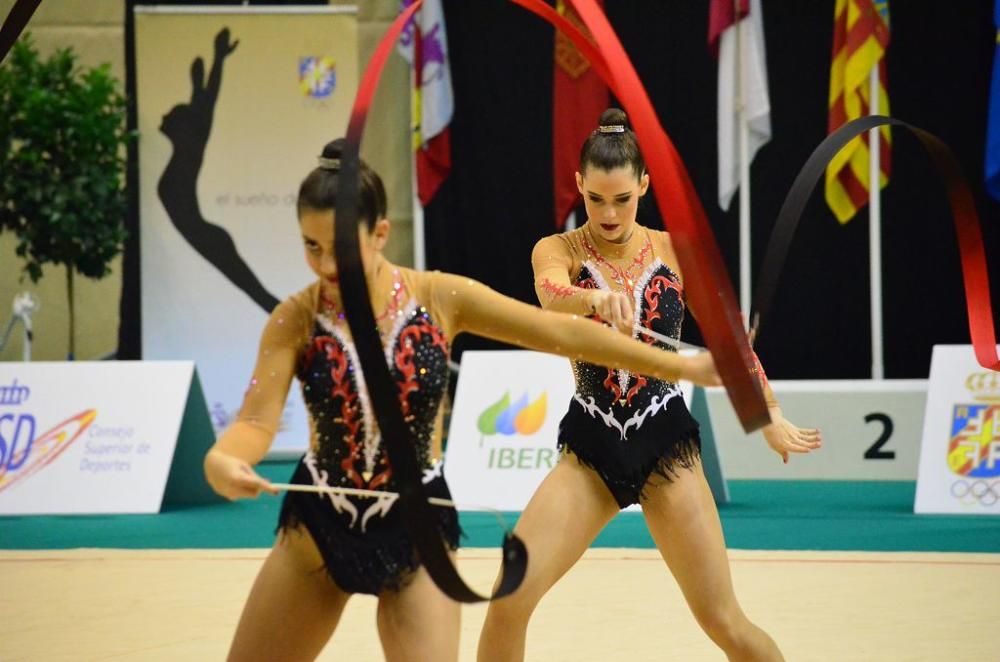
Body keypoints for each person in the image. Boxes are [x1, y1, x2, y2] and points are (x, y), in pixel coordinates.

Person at [203, 138, 723, 662]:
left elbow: (563, 334)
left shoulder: (438, 296)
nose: (325, 266)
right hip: (315, 531)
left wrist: (679, 365)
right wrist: (225, 459)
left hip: (416, 530)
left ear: (380, 233)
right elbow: (254, 420)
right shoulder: (295, 318)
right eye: (311, 247)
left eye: (339, 247)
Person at [477, 109, 822, 662]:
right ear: (579, 187)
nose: (608, 213)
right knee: (508, 599)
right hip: (591, 449)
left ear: (644, 185)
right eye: (595, 200)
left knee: (725, 621)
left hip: (665, 448)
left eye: (622, 199)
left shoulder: (674, 250)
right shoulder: (558, 249)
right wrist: (591, 298)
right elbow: (549, 292)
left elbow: (730, 339)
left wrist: (770, 412)